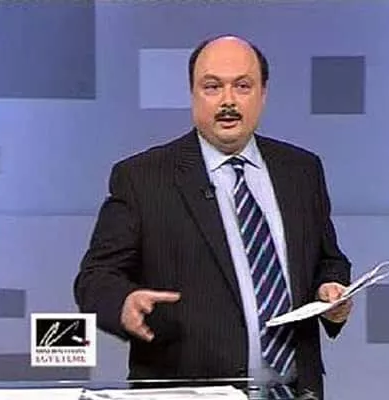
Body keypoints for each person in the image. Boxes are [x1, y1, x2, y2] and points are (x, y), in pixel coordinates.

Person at [74, 35, 352, 399]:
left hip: (296, 391)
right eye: (212, 87)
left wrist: (332, 290)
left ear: (263, 94)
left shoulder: (301, 171)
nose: (228, 101)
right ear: (192, 94)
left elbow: (328, 260)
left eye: (242, 86)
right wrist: (122, 303)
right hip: (188, 391)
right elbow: (95, 278)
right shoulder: (143, 178)